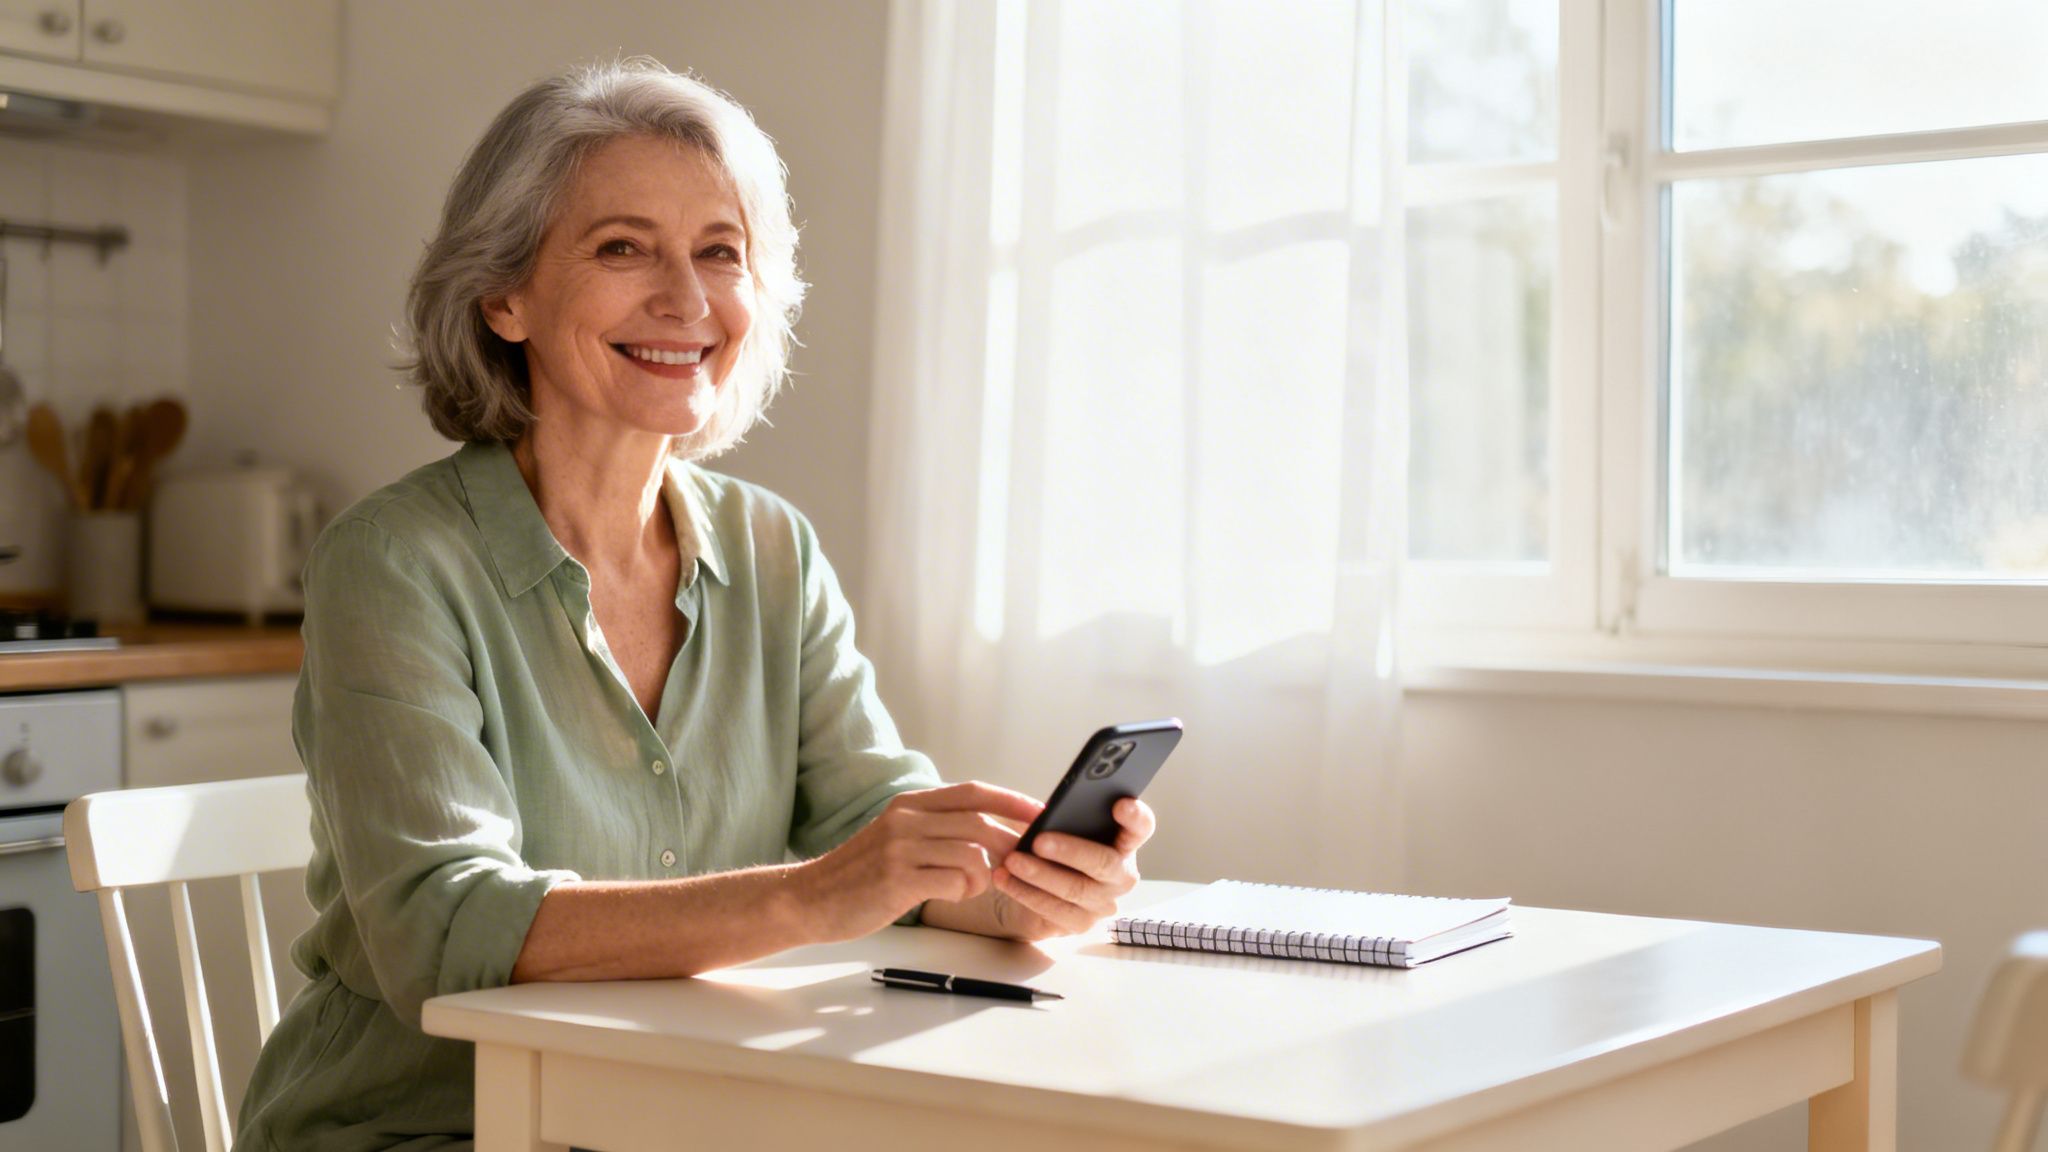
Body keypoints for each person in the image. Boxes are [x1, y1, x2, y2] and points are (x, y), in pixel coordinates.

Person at [236, 57, 1156, 1152]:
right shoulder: (392, 560)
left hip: (682, 1118)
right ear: (504, 295)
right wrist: (818, 897)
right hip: (435, 1127)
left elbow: (872, 831)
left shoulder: (772, 549)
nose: (684, 298)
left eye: (719, 252)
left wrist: (1016, 890)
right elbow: (441, 926)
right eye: (622, 247)